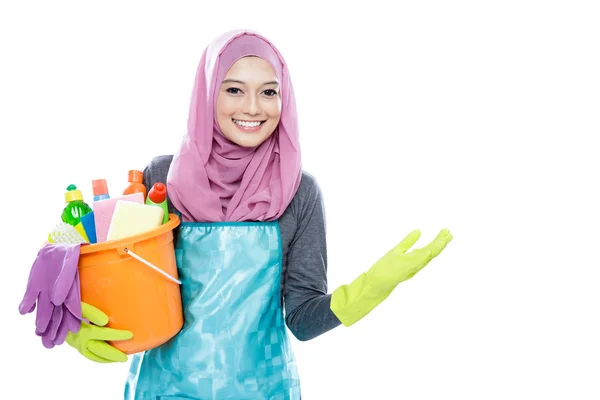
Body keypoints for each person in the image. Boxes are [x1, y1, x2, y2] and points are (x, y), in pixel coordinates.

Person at [65, 29, 453, 399]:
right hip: (165, 391)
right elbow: (121, 280)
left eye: (269, 92)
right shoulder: (160, 179)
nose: (253, 107)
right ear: (206, 94)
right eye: (234, 89)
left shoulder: (300, 193)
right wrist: (76, 323)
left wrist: (370, 287)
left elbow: (302, 319)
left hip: (265, 392)